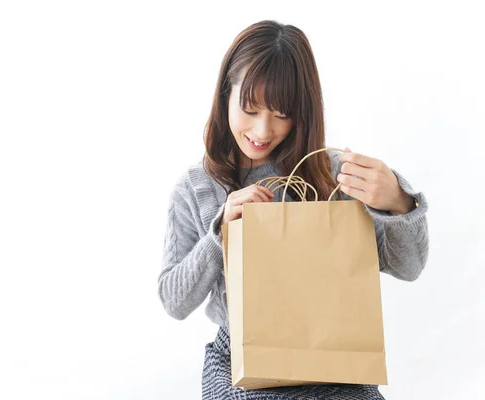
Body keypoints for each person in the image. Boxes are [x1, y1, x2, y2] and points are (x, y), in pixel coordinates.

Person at [158, 20, 429, 400]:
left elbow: (410, 267)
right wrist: (220, 234)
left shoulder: (331, 172)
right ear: (225, 95)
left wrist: (399, 203)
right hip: (241, 361)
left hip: (335, 358)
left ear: (303, 112)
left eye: (281, 114)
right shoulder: (197, 187)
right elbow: (173, 300)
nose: (262, 130)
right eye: (249, 108)